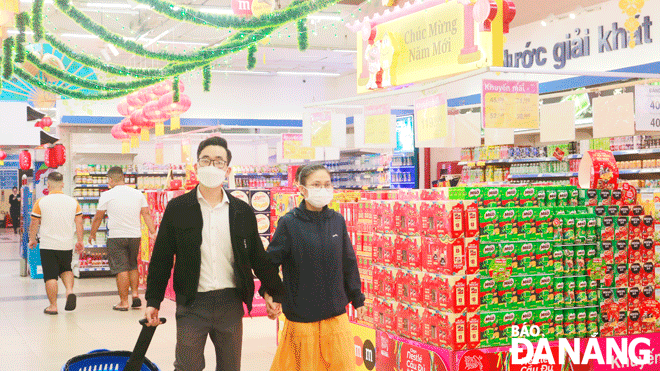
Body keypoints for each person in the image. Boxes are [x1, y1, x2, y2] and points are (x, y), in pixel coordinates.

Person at [144, 136, 285, 371]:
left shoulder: (241, 211)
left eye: (218, 161)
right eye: (205, 160)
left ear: (227, 169)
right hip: (192, 302)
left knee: (230, 367)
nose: (212, 165)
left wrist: (274, 291)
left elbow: (257, 257)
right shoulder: (178, 208)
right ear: (196, 166)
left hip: (229, 302)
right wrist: (153, 300)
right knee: (187, 366)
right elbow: (162, 257)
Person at [262, 164, 366, 371]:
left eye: (327, 184)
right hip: (302, 316)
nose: (322, 189)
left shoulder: (337, 220)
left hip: (335, 314)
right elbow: (270, 263)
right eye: (316, 184)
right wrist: (271, 293)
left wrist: (357, 298)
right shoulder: (289, 223)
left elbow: (348, 261)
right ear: (302, 189)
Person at [89, 166, 157, 311]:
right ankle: (135, 295)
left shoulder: (107, 194)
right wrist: (153, 231)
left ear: (111, 179)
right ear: (124, 178)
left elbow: (98, 217)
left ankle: (124, 302)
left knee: (121, 268)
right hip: (134, 236)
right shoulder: (137, 193)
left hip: (116, 236)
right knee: (132, 265)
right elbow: (146, 213)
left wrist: (92, 233)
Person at [28, 172, 84, 315]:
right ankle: (69, 291)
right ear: (63, 184)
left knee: (51, 275)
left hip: (48, 245)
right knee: (66, 269)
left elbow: (34, 222)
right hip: (66, 244)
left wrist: (32, 239)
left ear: (48, 185)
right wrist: (80, 241)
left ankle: (53, 306)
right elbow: (79, 222)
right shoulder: (73, 202)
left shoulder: (41, 202)